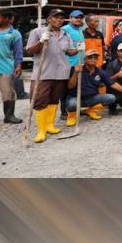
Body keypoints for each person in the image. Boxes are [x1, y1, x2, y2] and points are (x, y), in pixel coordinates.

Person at [26, 9, 77, 143]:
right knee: (39, 100)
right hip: (43, 73)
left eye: (61, 18)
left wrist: (77, 50)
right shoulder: (37, 32)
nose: (59, 20)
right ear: (48, 19)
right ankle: (41, 130)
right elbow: (30, 51)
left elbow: (69, 51)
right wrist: (41, 41)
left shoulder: (66, 34)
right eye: (56, 17)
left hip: (61, 72)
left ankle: (50, 125)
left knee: (54, 100)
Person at [66, 49, 122, 125]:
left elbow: (113, 84)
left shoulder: (100, 72)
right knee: (72, 104)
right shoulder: (78, 69)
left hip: (92, 98)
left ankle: (91, 110)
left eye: (95, 57)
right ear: (85, 59)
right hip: (76, 97)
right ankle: (72, 116)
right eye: (90, 57)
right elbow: (70, 86)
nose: (93, 59)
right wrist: (75, 73)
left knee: (111, 98)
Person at [61, 9, 86, 118]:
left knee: (77, 88)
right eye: (76, 17)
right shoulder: (65, 29)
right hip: (69, 64)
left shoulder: (80, 30)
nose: (78, 19)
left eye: (80, 17)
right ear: (70, 18)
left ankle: (76, 109)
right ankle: (63, 111)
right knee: (66, 89)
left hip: (79, 63)